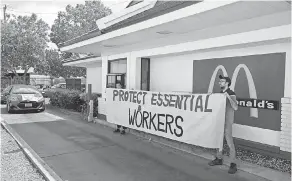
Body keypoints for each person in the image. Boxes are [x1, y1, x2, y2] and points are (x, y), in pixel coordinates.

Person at [208, 75, 238, 174]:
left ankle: (233, 164)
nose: (220, 83)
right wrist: (211, 97)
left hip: (227, 122)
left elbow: (235, 107)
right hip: (220, 121)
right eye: (219, 81)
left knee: (229, 143)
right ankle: (219, 159)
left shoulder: (231, 93)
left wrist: (228, 96)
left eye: (222, 81)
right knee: (219, 141)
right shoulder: (220, 93)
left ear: (227, 83)